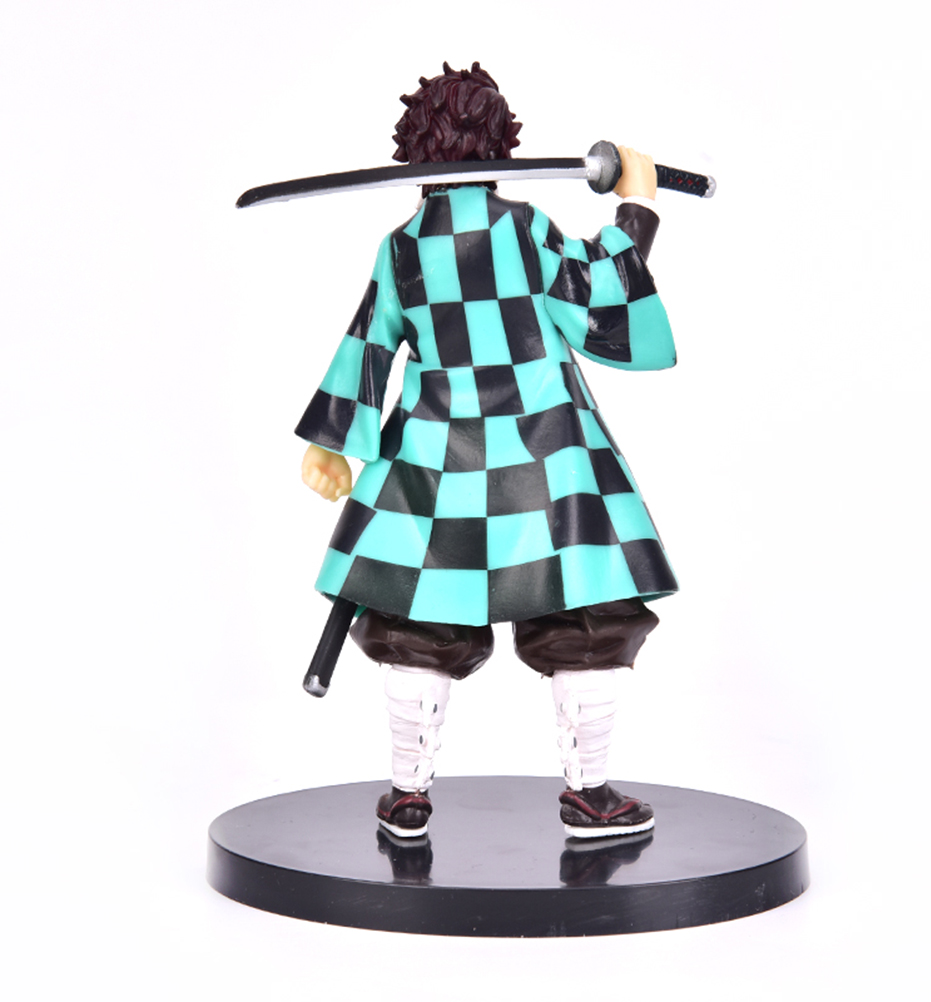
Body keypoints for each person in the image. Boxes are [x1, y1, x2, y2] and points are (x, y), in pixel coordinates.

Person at [296, 63, 678, 838]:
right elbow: (600, 288)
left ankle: (407, 794)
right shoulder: (524, 229)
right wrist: (636, 205)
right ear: (503, 142)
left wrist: (334, 440)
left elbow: (369, 341)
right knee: (583, 612)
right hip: (549, 451)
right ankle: (589, 795)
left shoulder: (403, 248)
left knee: (419, 617)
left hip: (434, 458)